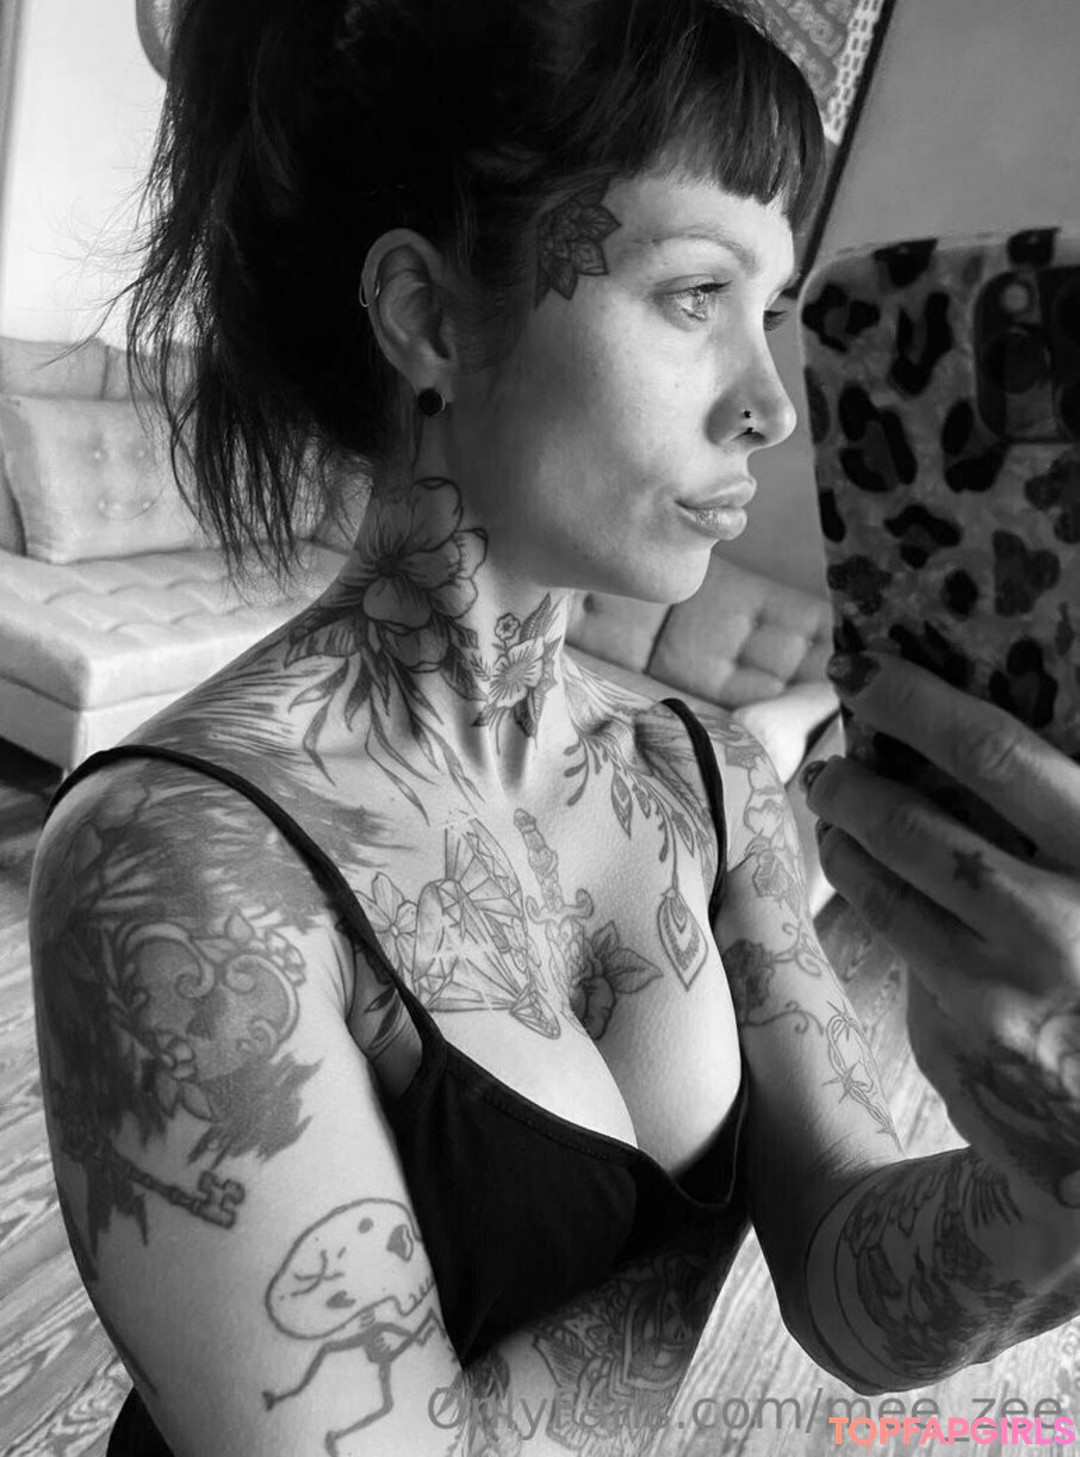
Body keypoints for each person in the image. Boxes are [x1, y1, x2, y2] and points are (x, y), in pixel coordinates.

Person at [29, 0, 1080, 1452]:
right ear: (429, 317)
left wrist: (1056, 1162)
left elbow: (854, 1285)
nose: (771, 406)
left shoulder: (712, 782)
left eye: (774, 315)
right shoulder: (181, 867)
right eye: (696, 294)